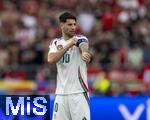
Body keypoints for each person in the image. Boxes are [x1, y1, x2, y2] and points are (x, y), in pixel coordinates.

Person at [48, 12, 91, 120]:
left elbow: (84, 46)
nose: (73, 27)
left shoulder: (81, 38)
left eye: (74, 24)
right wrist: (68, 45)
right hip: (60, 94)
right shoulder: (55, 43)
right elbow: (51, 59)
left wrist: (85, 53)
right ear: (62, 25)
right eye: (70, 24)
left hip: (79, 93)